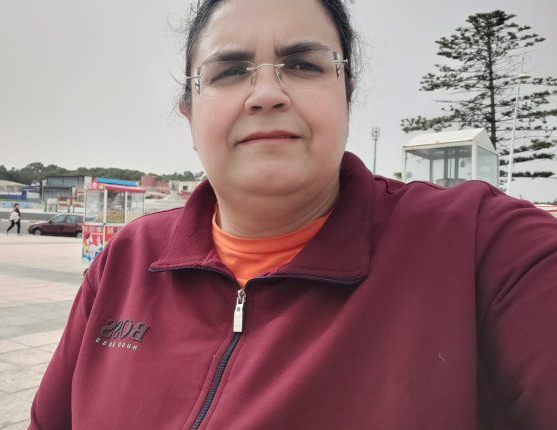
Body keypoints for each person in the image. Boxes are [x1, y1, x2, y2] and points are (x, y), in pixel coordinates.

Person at [29, 0, 557, 428]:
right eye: (229, 71)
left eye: (303, 65)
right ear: (188, 113)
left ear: (346, 96)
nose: (265, 94)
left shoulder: (481, 245)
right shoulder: (125, 260)